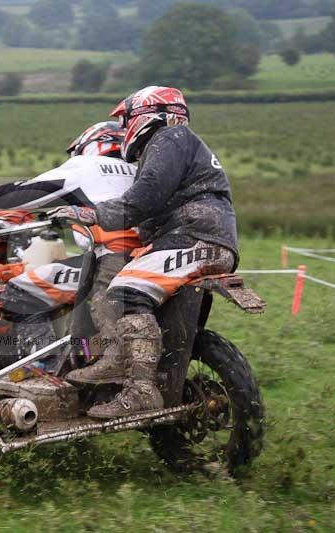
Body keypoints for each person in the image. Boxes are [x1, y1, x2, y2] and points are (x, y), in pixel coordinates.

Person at [49, 86, 239, 419]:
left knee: (124, 294)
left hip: (193, 235)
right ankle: (114, 361)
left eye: (127, 120)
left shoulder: (169, 138)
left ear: (148, 115)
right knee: (116, 293)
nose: (125, 130)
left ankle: (140, 389)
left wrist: (92, 213)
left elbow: (145, 196)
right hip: (207, 237)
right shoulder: (181, 144)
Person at [0, 122, 141, 363]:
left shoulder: (88, 166)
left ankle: (41, 364)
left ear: (90, 145)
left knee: (20, 288)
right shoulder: (136, 172)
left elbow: (26, 191)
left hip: (109, 258)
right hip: (142, 259)